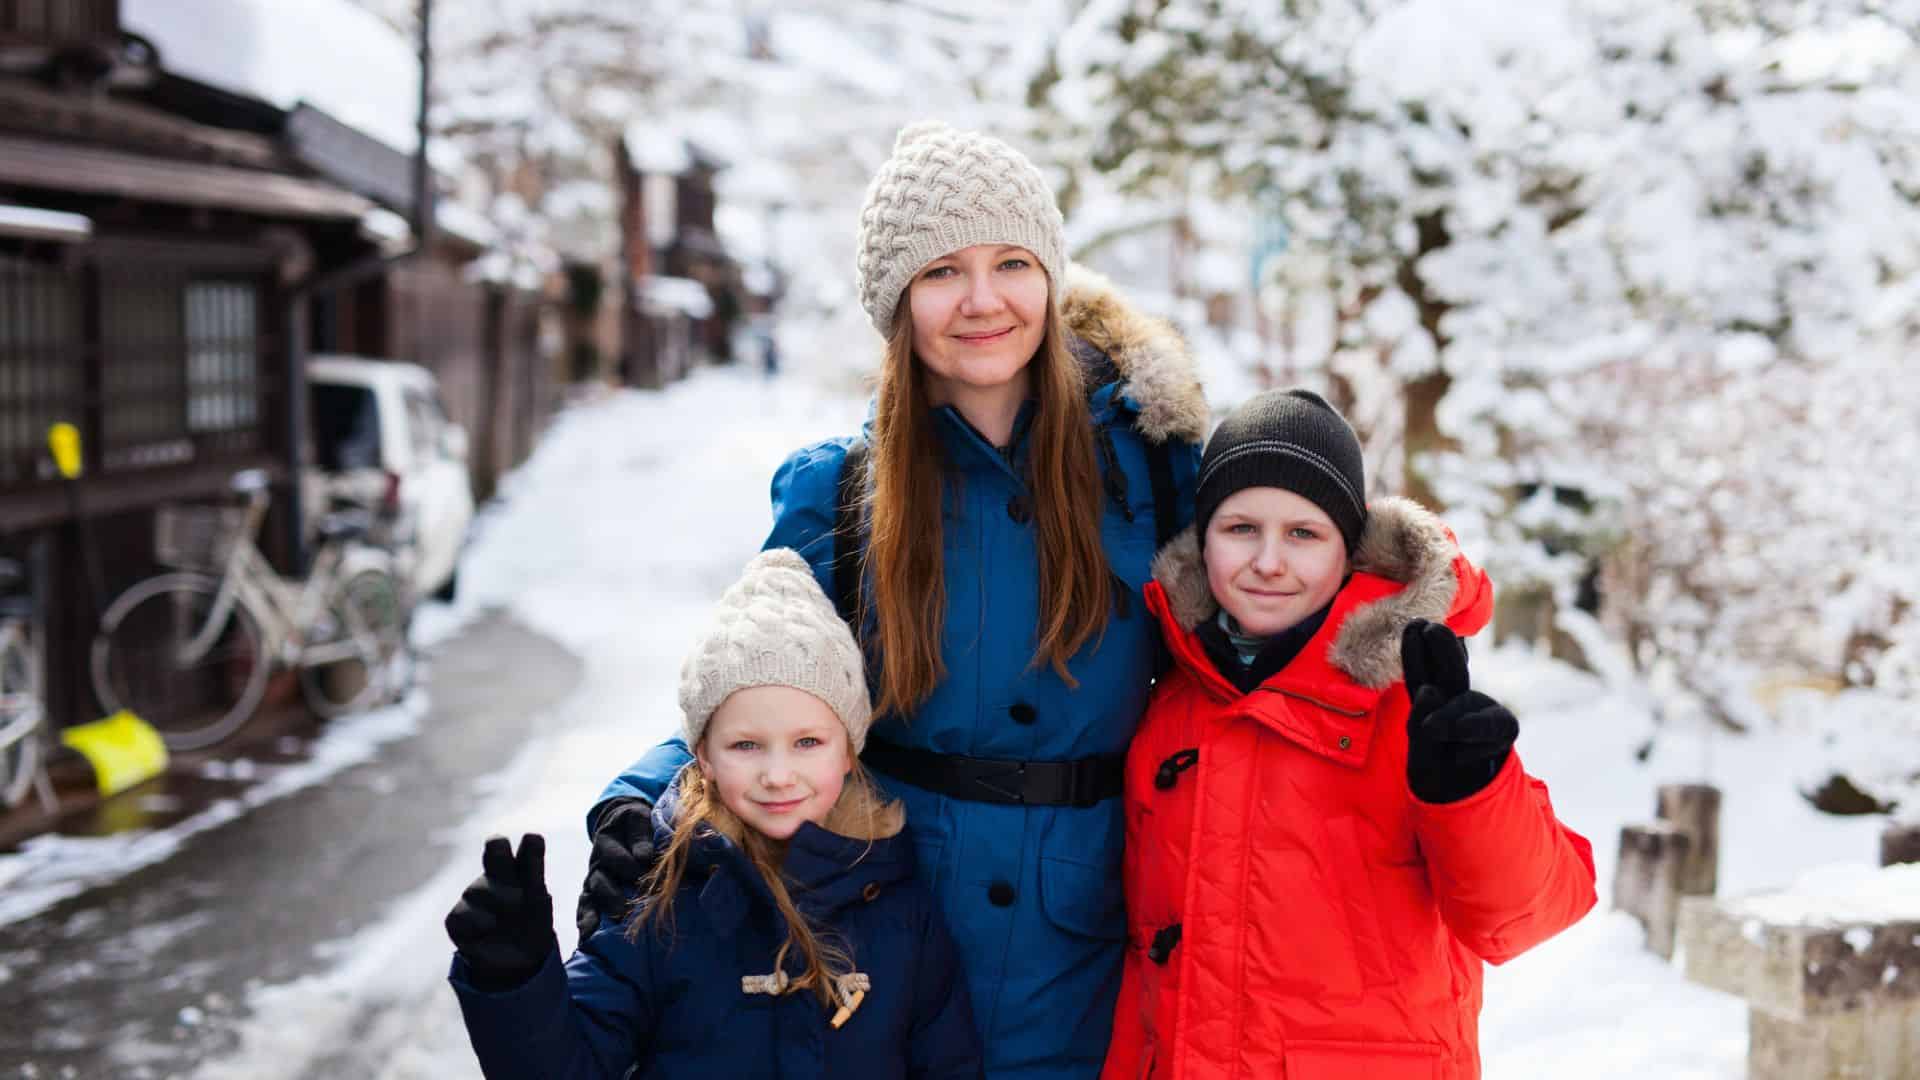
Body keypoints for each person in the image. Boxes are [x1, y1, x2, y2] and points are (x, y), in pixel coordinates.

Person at [576, 120, 1209, 1080]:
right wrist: (640, 803)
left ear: (1051, 274)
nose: (984, 300)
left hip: (1093, 941)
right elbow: (759, 679)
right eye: (942, 272)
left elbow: (1283, 617)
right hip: (882, 929)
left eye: (1011, 263)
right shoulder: (841, 491)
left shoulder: (1154, 466)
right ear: (897, 302)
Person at [1100, 389, 1598, 1080]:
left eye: (1304, 534)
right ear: (1200, 539)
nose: (1269, 561)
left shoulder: (1407, 702)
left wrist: (1474, 793)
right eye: (1241, 527)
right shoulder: (1170, 702)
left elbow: (1524, 916)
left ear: (1347, 551)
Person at [444, 549, 983, 1079]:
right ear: (701, 754)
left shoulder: (900, 903)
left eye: (807, 742)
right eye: (746, 745)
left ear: (848, 751)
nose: (777, 773)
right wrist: (514, 982)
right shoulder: (656, 901)